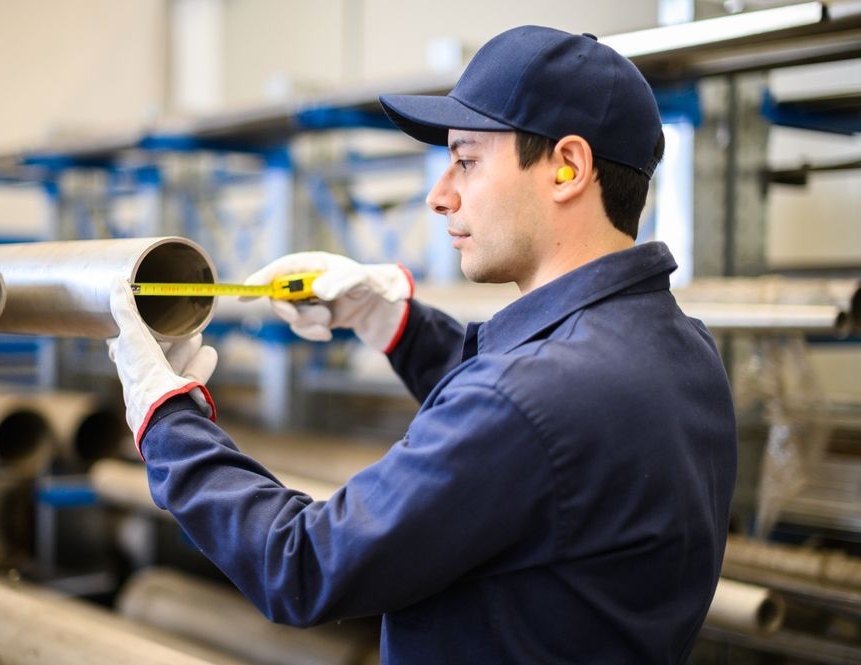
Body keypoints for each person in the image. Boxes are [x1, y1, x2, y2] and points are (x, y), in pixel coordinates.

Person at [108, 25, 738, 664]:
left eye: (466, 160)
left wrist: (168, 422)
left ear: (568, 168)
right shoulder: (683, 350)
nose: (440, 196)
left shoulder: (529, 400)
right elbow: (537, 442)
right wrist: (394, 323)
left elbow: (300, 565)